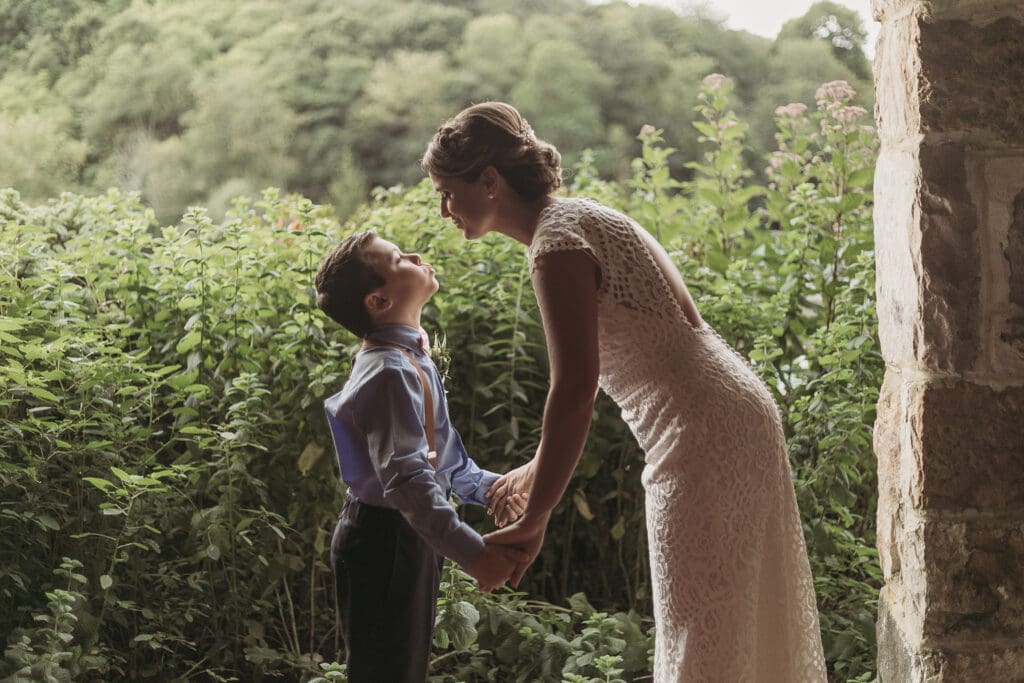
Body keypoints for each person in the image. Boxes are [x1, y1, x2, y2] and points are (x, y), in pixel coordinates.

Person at [421, 102, 827, 681]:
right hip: (730, 412)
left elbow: (574, 389)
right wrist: (538, 470)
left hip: (701, 436)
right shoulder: (578, 218)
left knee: (701, 626)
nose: (442, 210)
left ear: (488, 181)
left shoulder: (556, 246)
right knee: (731, 619)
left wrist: (535, 518)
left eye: (446, 191)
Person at [314, 230, 527, 683]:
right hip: (383, 541)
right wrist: (474, 553)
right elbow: (408, 482)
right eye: (398, 259)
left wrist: (491, 489)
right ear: (378, 301)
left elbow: (441, 463)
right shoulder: (389, 372)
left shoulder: (409, 357)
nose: (413, 255)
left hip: (406, 536)